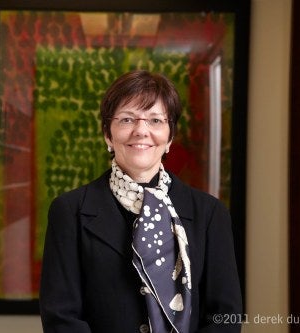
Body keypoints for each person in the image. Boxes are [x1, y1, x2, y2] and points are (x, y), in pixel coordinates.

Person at [39, 70, 242, 333]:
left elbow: (225, 317)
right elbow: (60, 317)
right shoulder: (69, 211)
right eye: (127, 119)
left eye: (155, 120)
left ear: (170, 137)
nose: (141, 131)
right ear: (107, 134)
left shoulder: (210, 214)